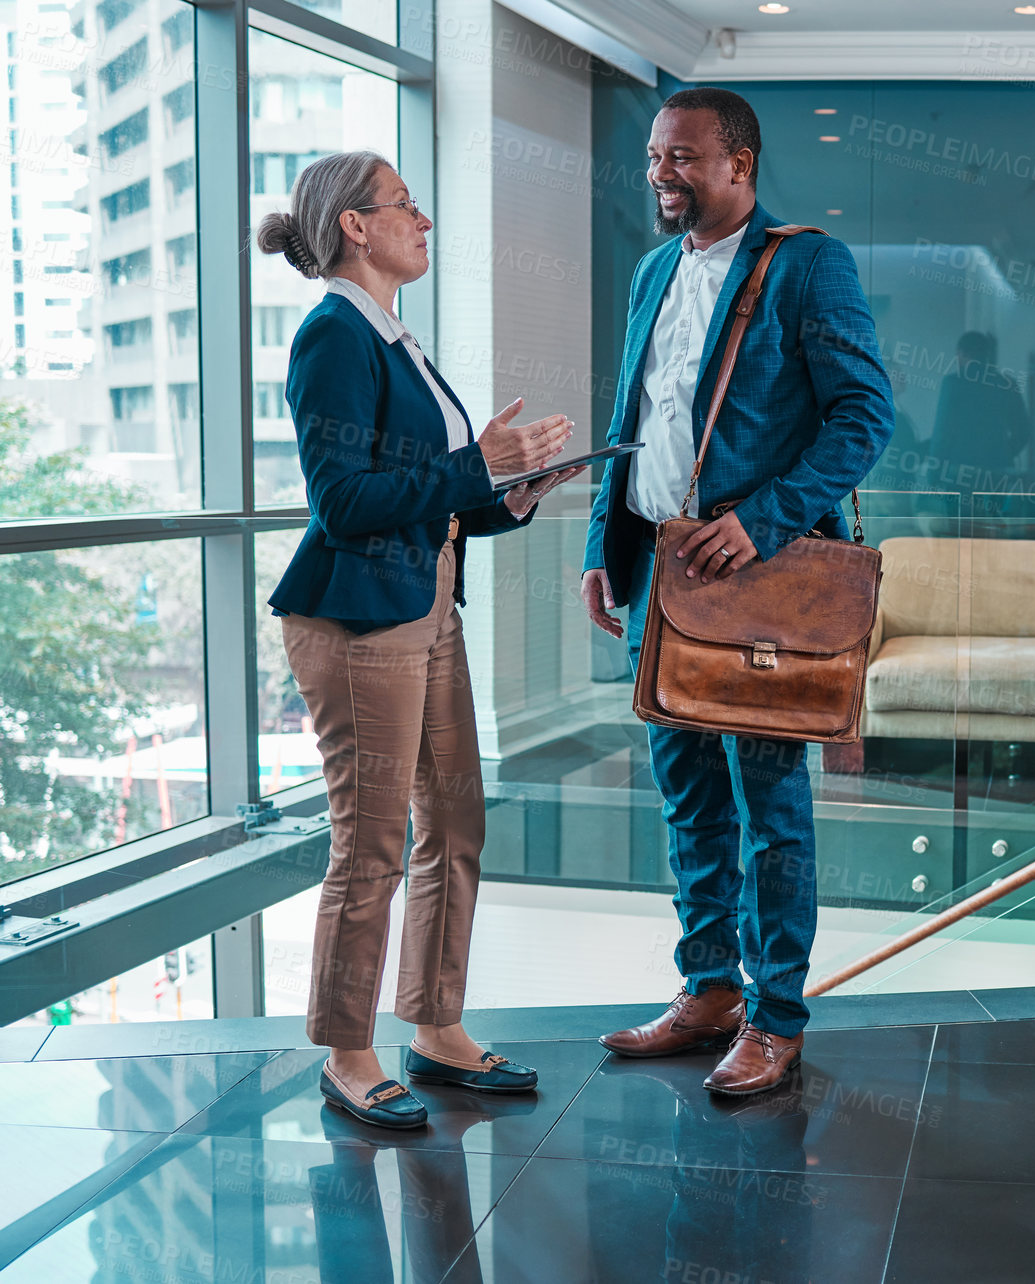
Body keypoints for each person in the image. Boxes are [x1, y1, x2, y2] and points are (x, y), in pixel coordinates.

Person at [579, 87, 893, 1096]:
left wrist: (762, 518)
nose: (661, 175)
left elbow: (863, 417)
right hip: (660, 576)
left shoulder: (806, 263)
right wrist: (602, 543)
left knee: (771, 808)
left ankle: (776, 1016)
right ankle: (707, 990)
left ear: (739, 163)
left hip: (757, 582)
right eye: (654, 158)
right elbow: (631, 415)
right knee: (688, 799)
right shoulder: (650, 271)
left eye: (682, 159)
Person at [260, 151, 584, 1128]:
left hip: (425, 603)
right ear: (355, 227)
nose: (424, 220)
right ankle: (347, 1052)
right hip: (359, 623)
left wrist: (507, 493)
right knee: (372, 846)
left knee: (455, 827)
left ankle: (435, 1025)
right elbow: (345, 505)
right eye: (407, 205)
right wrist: (475, 463)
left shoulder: (393, 337)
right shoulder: (334, 336)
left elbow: (424, 501)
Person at [927, 330, 1028, 492]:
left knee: (960, 516)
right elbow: (1023, 431)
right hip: (997, 470)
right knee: (991, 516)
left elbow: (942, 430)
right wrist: (1003, 453)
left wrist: (934, 472)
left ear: (961, 353)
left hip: (959, 468)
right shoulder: (1007, 384)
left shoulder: (953, 383)